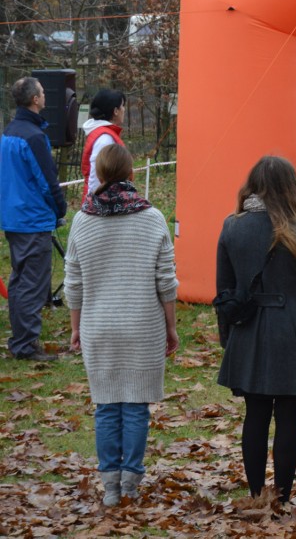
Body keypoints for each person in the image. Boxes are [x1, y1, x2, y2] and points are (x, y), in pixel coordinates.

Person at [216, 156, 296, 503]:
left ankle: (256, 493)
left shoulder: (232, 226)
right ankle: (282, 496)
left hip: (249, 332)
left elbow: (224, 293)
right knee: (287, 418)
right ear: (289, 186)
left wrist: (228, 339)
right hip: (293, 334)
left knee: (255, 414)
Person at [63, 144, 178, 505]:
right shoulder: (153, 217)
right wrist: (171, 327)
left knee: (106, 405)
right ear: (131, 174)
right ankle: (130, 482)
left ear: (98, 173)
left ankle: (110, 485)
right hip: (143, 325)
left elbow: (73, 282)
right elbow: (166, 281)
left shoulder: (83, 219)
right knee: (135, 406)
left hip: (99, 324)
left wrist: (76, 326)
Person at [0, 77, 67, 361]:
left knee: (19, 281)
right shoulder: (34, 136)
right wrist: (60, 208)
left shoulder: (9, 131)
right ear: (36, 100)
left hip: (14, 217)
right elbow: (46, 181)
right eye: (42, 91)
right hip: (32, 219)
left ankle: (20, 339)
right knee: (32, 284)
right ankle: (25, 345)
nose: (44, 95)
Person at [81, 88, 126, 201]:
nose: (124, 110)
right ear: (115, 111)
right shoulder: (105, 139)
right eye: (122, 106)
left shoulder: (103, 134)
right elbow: (96, 176)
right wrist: (93, 206)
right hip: (102, 206)